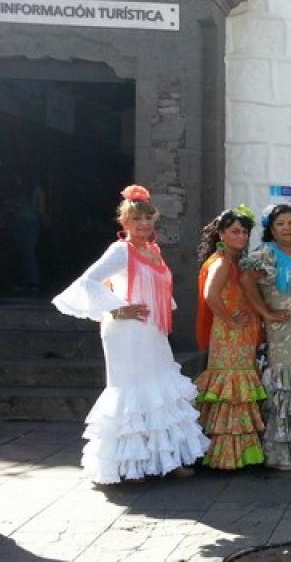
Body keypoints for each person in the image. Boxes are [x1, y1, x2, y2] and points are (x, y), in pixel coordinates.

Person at [52, 185, 207, 484]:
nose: (143, 224)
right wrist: (118, 308)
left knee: (160, 390)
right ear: (124, 222)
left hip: (152, 330)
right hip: (127, 332)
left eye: (148, 218)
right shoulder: (120, 250)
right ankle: (130, 466)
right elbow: (89, 281)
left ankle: (169, 459)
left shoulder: (153, 250)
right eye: (137, 219)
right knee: (133, 392)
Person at [239, 204, 291, 471]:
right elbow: (246, 280)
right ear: (271, 229)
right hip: (282, 330)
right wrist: (266, 312)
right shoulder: (266, 254)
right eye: (280, 224)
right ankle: (279, 453)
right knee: (285, 385)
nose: (287, 228)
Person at [195, 205, 266, 470]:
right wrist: (231, 320)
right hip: (229, 335)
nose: (241, 237)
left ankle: (236, 453)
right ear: (221, 233)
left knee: (237, 391)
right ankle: (227, 455)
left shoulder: (233, 261)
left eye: (245, 232)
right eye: (235, 231)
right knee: (232, 391)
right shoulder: (223, 262)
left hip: (239, 335)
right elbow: (211, 295)